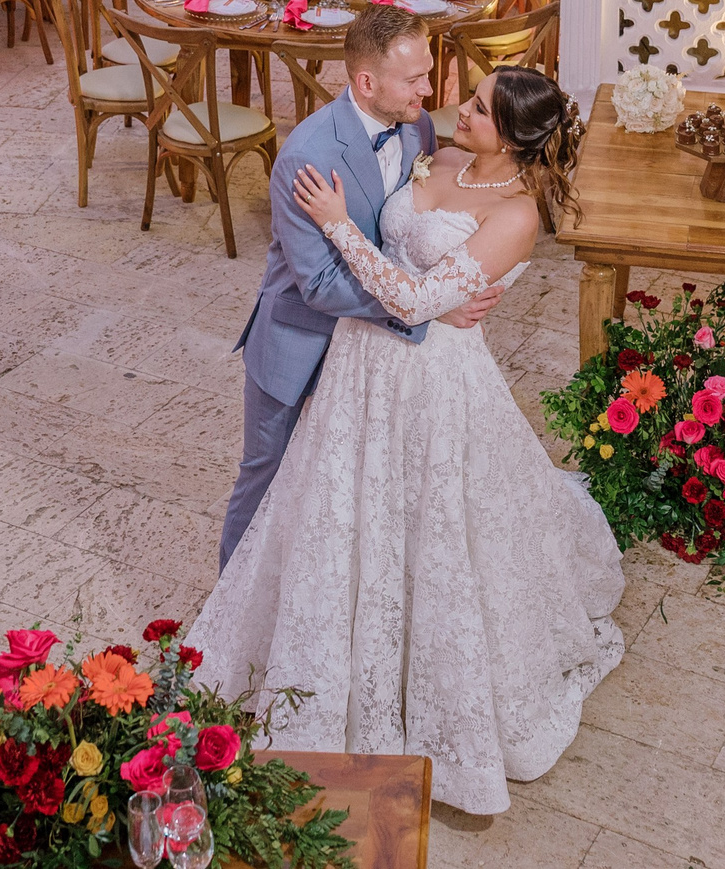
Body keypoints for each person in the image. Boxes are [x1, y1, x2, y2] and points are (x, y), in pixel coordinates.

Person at [190, 62, 626, 816]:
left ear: (517, 139)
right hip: (358, 367)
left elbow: (419, 298)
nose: (461, 108)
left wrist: (339, 224)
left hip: (431, 380)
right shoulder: (441, 148)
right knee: (336, 513)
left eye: (482, 109)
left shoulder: (518, 213)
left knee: (429, 525)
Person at [218, 7, 501, 571]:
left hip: (372, 355)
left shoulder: (416, 124)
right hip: (302, 338)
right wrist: (427, 309)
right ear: (366, 82)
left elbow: (410, 227)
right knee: (267, 473)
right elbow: (321, 285)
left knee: (342, 485)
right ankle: (227, 605)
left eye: (428, 71)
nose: (430, 88)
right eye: (415, 78)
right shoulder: (308, 155)